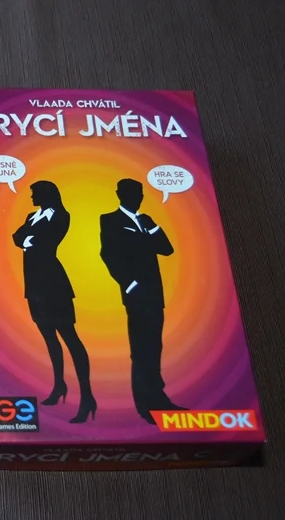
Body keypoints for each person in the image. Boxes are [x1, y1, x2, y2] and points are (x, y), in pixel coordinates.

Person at [99, 178, 186, 425]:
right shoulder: (110, 220)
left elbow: (166, 249)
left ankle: (159, 399)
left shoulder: (145, 221)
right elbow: (108, 254)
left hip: (155, 295)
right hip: (136, 296)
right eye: (131, 193)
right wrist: (129, 284)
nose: (137, 198)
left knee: (154, 347)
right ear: (119, 194)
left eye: (139, 193)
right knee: (141, 350)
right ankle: (145, 406)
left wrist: (153, 226)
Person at [12, 181, 96, 423]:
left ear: (46, 194)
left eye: (34, 194)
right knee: (48, 336)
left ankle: (87, 397)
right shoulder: (32, 216)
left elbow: (45, 242)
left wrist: (28, 240)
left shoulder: (61, 215)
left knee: (70, 337)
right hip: (34, 286)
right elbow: (17, 237)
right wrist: (29, 240)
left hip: (54, 285)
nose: (31, 198)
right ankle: (59, 385)